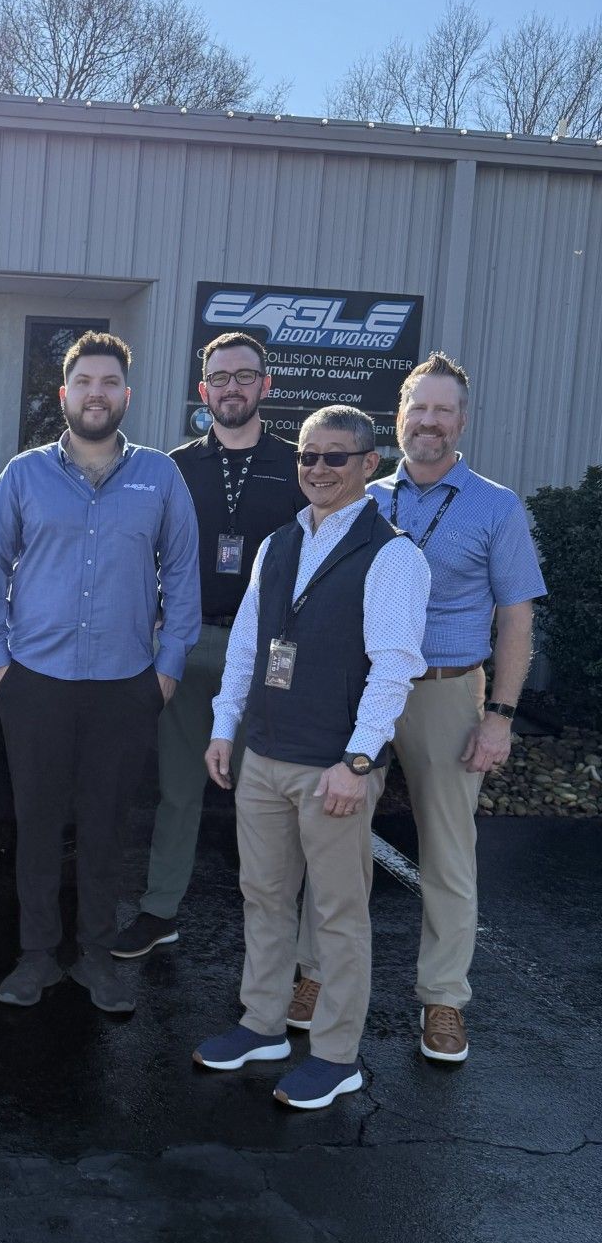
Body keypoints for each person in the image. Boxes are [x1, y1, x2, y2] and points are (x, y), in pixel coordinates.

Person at [290, 353, 546, 1065]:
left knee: (447, 850)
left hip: (444, 690)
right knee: (333, 837)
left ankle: (442, 1000)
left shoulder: (496, 505)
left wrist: (500, 715)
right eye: (417, 408)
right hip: (366, 691)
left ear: (461, 422)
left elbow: (516, 619)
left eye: (442, 410)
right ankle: (314, 975)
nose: (428, 421)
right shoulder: (363, 496)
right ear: (398, 416)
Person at [194, 405, 429, 1109]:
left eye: (335, 458)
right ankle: (263, 1024)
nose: (318, 470)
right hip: (263, 755)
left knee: (337, 914)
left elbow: (394, 669)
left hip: (332, 766)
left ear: (368, 466)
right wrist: (223, 728)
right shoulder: (278, 543)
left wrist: (358, 763)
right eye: (307, 457)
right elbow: (247, 645)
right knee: (263, 896)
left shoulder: (393, 555)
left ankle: (336, 1055)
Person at [0, 331, 201, 1012]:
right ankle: (37, 955)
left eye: (109, 383)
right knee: (36, 823)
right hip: (34, 680)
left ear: (125, 396)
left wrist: (167, 670)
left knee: (106, 824)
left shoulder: (160, 477)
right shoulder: (23, 475)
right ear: (63, 394)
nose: (96, 394)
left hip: (127, 683)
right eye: (84, 383)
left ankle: (95, 955)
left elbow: (182, 576)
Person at [114, 331, 306, 960]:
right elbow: (141, 552)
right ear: (203, 390)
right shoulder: (171, 467)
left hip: (274, 649)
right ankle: (160, 910)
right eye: (220, 377)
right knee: (178, 788)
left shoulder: (299, 465)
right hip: (188, 641)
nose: (232, 387)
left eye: (244, 376)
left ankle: (271, 926)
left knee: (267, 793)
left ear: (265, 386)